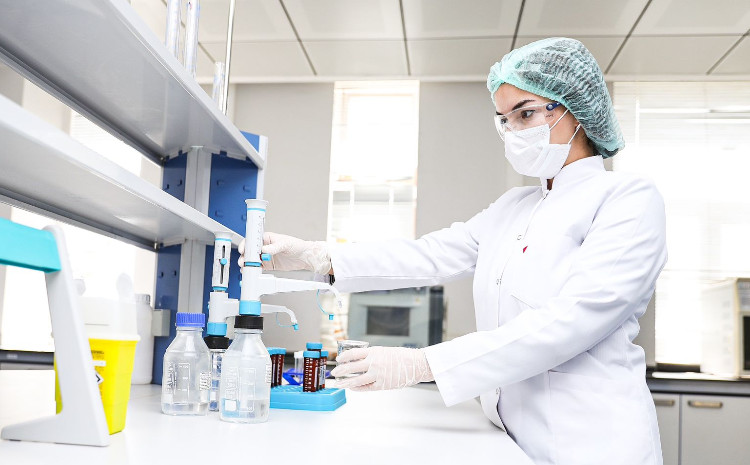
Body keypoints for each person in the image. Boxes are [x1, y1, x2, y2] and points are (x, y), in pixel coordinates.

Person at [242, 38, 667, 465]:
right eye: (505, 119)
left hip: (593, 443)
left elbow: (571, 320)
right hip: (509, 439)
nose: (515, 131)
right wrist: (319, 256)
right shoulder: (514, 206)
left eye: (526, 113)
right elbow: (429, 255)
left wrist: (423, 363)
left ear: (577, 109)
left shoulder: (627, 199)